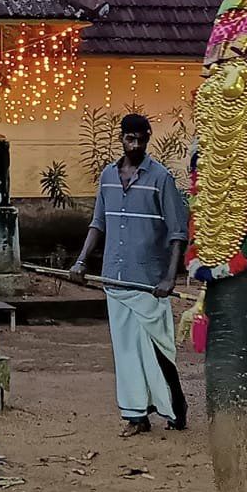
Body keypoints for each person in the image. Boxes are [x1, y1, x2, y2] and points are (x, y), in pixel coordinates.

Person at [69, 114, 190, 436]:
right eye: (129, 139)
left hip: (149, 283)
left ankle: (176, 408)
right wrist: (81, 262)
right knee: (125, 353)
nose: (135, 145)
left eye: (140, 139)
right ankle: (137, 415)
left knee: (158, 349)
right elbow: (98, 223)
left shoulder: (161, 177)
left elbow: (178, 232)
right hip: (115, 278)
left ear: (148, 138)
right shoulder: (108, 176)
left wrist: (169, 278)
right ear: (121, 139)